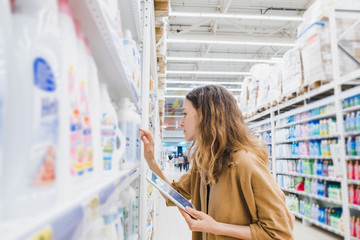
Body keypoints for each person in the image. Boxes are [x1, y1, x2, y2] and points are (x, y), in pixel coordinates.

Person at [140, 85, 294, 240]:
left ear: (205, 115)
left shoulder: (245, 163)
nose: (181, 122)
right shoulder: (204, 162)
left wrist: (216, 227)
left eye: (185, 114)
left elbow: (280, 232)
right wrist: (151, 161)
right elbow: (173, 195)